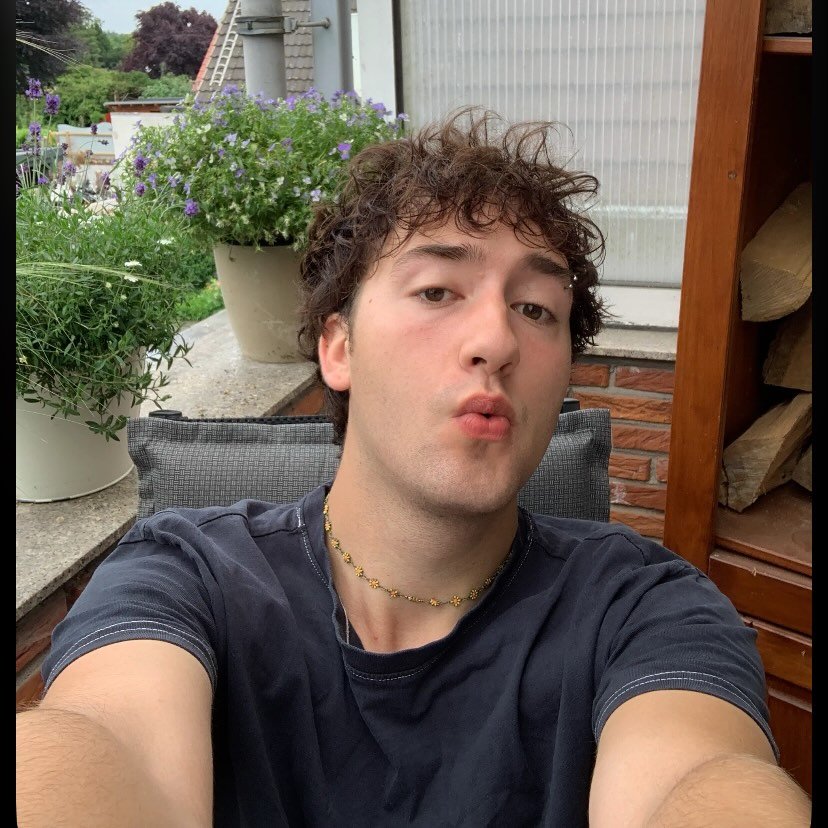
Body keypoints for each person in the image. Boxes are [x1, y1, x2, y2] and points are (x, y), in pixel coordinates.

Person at [17, 109, 810, 827]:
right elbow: (105, 739)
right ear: (339, 348)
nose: (496, 340)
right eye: (437, 291)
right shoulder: (183, 574)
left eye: (536, 309)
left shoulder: (647, 608)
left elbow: (698, 776)